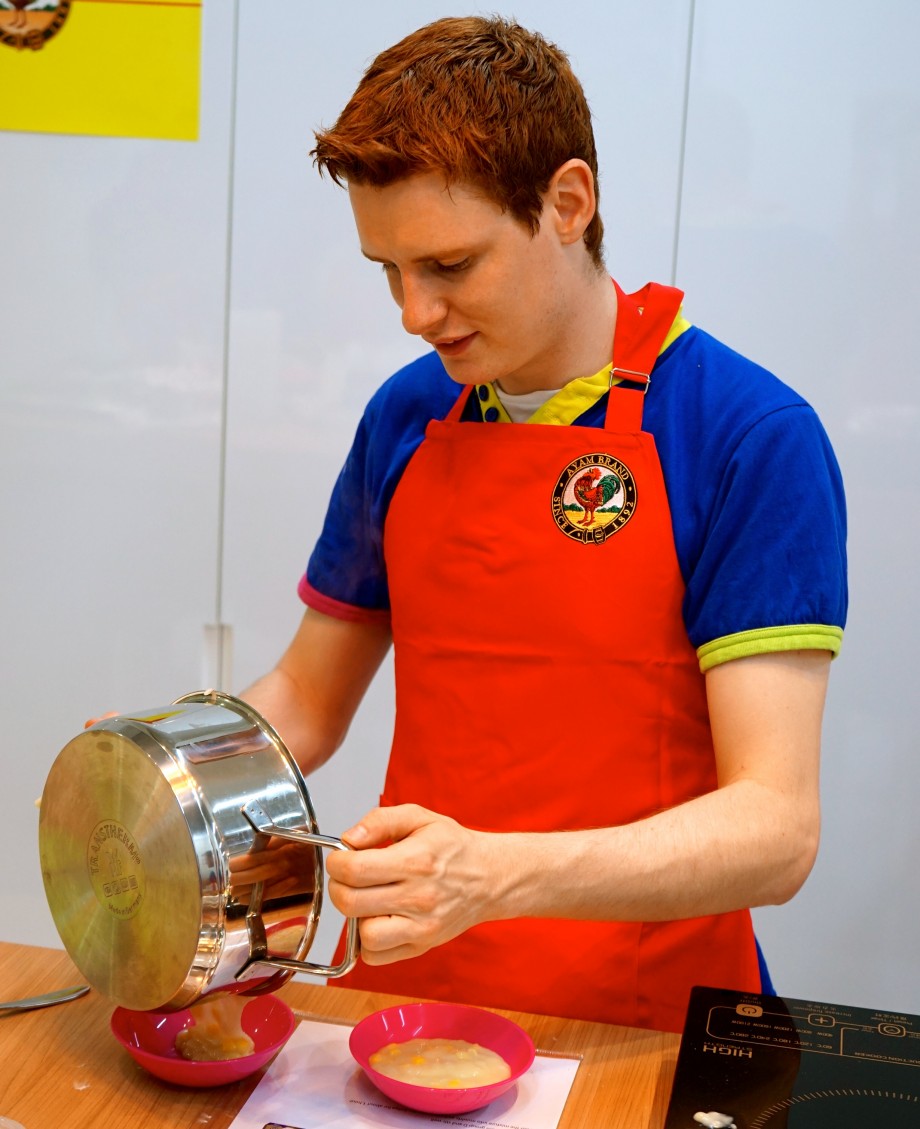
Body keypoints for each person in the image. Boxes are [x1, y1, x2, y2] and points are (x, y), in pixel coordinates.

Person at [240, 15, 847, 1034]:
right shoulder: (406, 415)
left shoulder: (745, 436)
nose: (412, 314)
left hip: (640, 1021)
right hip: (408, 1000)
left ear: (567, 203)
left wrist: (490, 872)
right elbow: (306, 692)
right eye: (386, 271)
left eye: (448, 265)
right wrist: (167, 761)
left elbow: (775, 829)